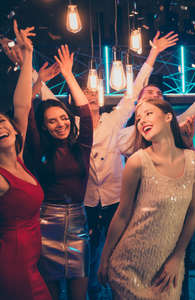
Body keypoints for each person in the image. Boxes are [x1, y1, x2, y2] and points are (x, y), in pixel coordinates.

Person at [83, 30, 179, 300]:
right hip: (86, 201)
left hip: (115, 198)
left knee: (119, 252)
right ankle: (91, 291)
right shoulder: (74, 129)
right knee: (88, 256)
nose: (90, 99)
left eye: (93, 96)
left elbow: (134, 92)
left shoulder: (114, 122)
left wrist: (153, 54)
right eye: (84, 96)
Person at [98, 97, 195, 300]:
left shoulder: (194, 160)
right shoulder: (137, 162)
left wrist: (178, 256)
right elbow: (122, 215)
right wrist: (104, 259)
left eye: (148, 113)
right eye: (137, 119)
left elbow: (194, 211)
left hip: (168, 268)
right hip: (128, 266)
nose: (142, 121)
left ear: (168, 116)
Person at [25, 44, 93, 300]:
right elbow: (27, 110)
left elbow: (84, 112)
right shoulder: (38, 147)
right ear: (44, 126)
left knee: (79, 296)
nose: (61, 123)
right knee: (50, 296)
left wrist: (68, 75)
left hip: (78, 223)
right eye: (52, 121)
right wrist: (38, 81)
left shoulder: (81, 147)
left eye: (64, 118)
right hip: (45, 225)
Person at [0, 20, 51, 300]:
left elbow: (22, 105)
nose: (1, 127)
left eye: (2, 122)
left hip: (32, 261)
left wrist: (28, 54)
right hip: (13, 266)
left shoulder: (17, 160)